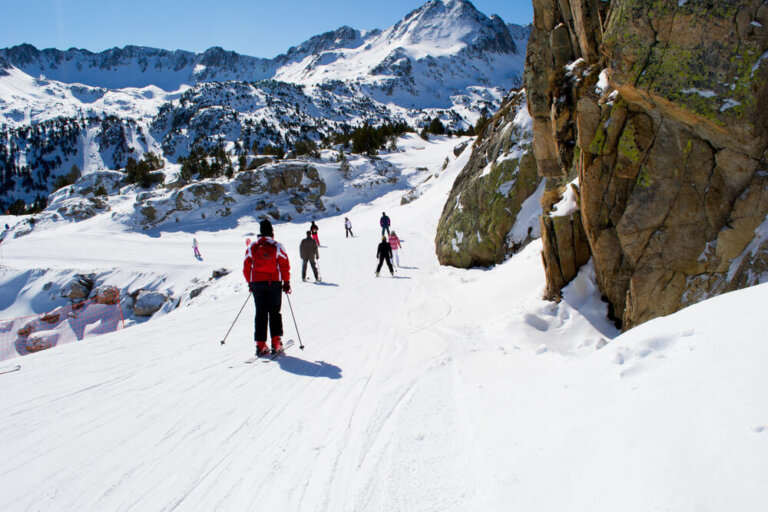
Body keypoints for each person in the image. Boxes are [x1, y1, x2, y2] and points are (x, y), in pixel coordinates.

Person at [243, 219, 291, 356]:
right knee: (275, 312)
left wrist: (250, 283)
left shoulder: (252, 246)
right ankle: (276, 342)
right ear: (271, 232)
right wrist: (286, 282)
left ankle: (260, 344)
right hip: (274, 282)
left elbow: (246, 267)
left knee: (260, 313)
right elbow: (284, 265)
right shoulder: (277, 246)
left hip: (257, 284)